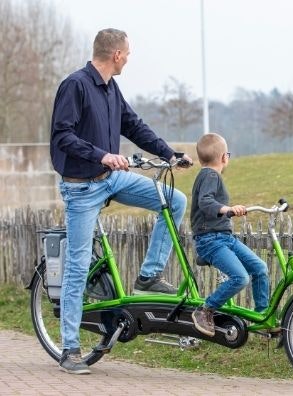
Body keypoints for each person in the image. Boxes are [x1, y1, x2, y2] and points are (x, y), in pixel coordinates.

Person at [50, 28, 193, 374]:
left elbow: (133, 125)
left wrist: (169, 153)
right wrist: (102, 155)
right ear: (115, 54)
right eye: (127, 53)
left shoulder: (111, 89)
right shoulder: (76, 85)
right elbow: (62, 135)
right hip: (81, 188)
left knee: (174, 200)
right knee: (78, 266)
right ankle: (69, 349)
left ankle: (148, 275)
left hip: (111, 178)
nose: (129, 58)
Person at [190, 132, 269, 337]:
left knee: (260, 268)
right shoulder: (210, 175)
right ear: (225, 157)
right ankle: (205, 310)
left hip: (224, 238)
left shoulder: (208, 176)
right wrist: (228, 209)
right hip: (210, 240)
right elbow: (205, 202)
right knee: (240, 277)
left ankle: (262, 317)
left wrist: (228, 211)